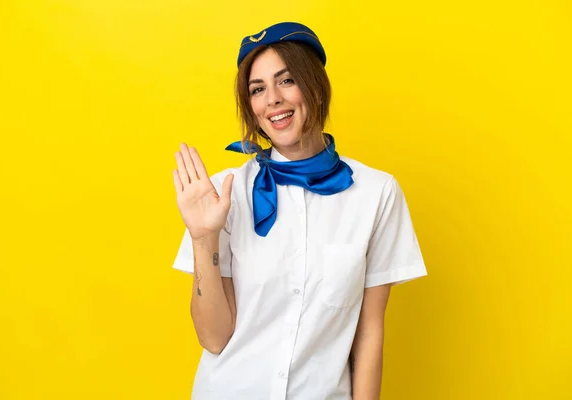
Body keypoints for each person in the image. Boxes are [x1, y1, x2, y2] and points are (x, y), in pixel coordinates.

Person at [171, 21, 427, 400]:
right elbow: (213, 337)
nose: (272, 99)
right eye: (257, 89)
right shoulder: (225, 192)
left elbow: (369, 332)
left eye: (286, 80)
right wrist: (202, 235)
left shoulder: (377, 193)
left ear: (316, 87)